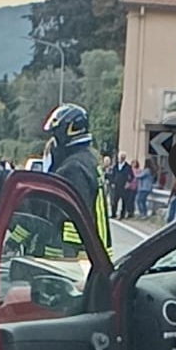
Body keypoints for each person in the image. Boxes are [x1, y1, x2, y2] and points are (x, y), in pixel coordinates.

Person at [43, 103, 111, 252]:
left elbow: (72, 218)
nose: (53, 142)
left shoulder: (73, 169)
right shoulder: (89, 159)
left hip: (71, 256)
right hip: (95, 250)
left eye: (56, 135)